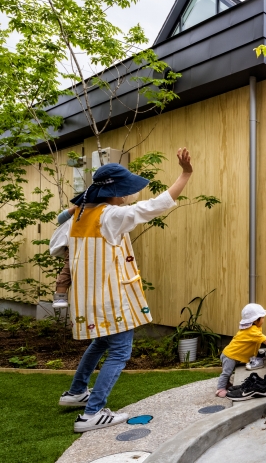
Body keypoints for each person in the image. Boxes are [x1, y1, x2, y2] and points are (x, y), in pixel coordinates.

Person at [50, 148, 194, 433]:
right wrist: (186, 173)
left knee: (101, 343)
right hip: (112, 299)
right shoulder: (111, 215)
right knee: (120, 351)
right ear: (116, 192)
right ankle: (92, 413)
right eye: (126, 190)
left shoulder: (80, 214)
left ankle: (77, 392)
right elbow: (156, 205)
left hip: (89, 297)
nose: (129, 195)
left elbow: (56, 232)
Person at [216, 303, 266, 399]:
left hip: (231, 354)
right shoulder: (251, 330)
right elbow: (259, 336)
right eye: (262, 317)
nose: (263, 319)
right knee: (226, 373)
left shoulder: (253, 328)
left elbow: (260, 336)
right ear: (255, 320)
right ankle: (220, 389)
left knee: (228, 372)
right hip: (230, 356)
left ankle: (226, 384)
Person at [52, 206, 77, 309]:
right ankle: (60, 295)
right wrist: (74, 209)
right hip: (72, 245)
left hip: (90, 247)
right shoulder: (79, 209)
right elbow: (60, 218)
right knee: (68, 268)